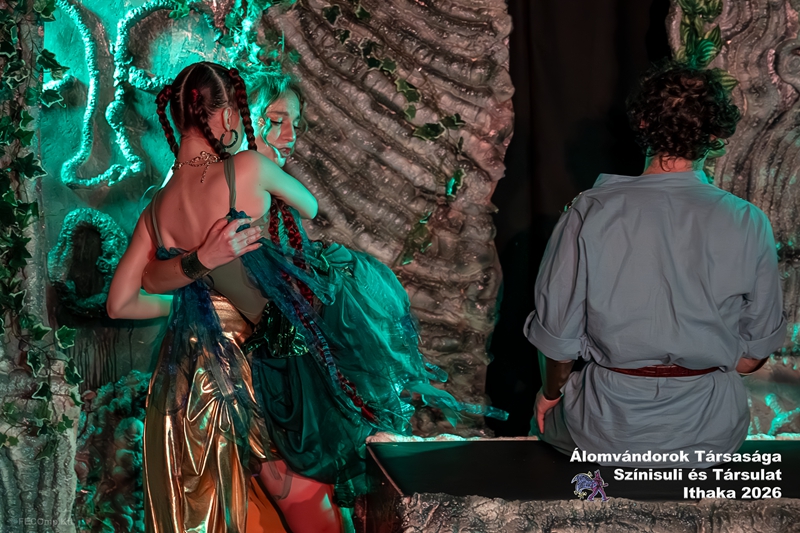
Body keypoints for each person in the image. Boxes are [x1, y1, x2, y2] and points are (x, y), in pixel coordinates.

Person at [524, 61, 787, 468]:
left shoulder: (589, 210)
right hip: (711, 435)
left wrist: (549, 395)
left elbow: (558, 341)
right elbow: (753, 356)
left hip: (607, 429)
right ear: (714, 135)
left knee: (540, 422)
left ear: (643, 122)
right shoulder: (749, 220)